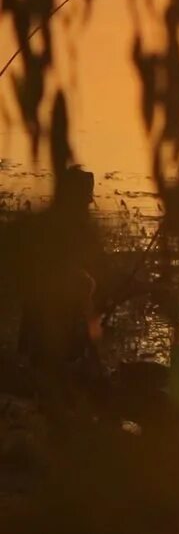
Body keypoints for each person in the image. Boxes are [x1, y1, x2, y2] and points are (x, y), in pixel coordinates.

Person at [1, 165, 106, 395]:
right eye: (82, 202)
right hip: (46, 332)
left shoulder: (58, 228)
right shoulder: (54, 233)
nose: (85, 208)